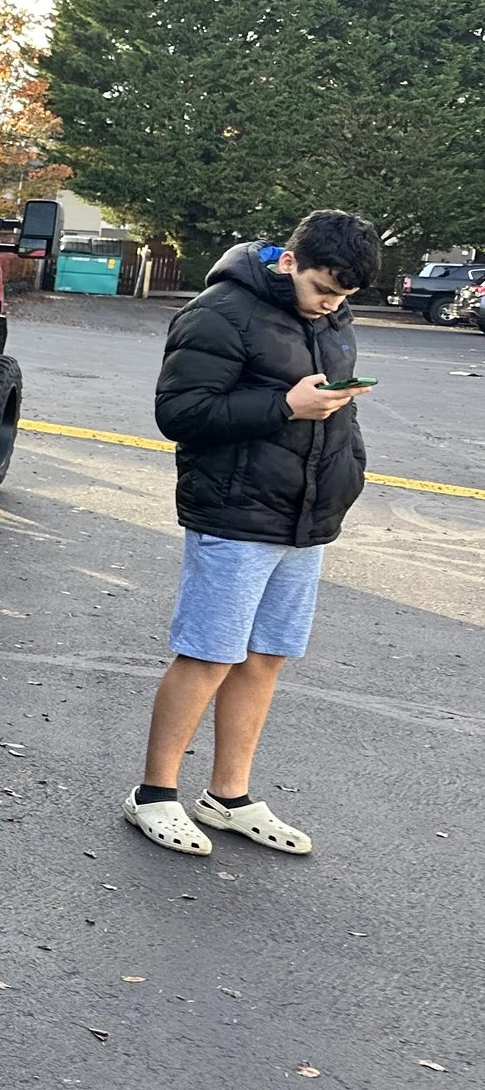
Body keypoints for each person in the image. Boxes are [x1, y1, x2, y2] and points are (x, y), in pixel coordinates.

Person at [124, 209, 383, 857]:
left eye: (343, 297)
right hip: (235, 513)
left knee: (266, 655)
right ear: (289, 260)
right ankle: (153, 794)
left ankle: (228, 796)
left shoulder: (332, 315)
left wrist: (346, 471)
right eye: (323, 289)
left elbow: (329, 407)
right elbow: (179, 410)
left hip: (305, 518)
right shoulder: (220, 310)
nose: (330, 305)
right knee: (209, 653)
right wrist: (285, 406)